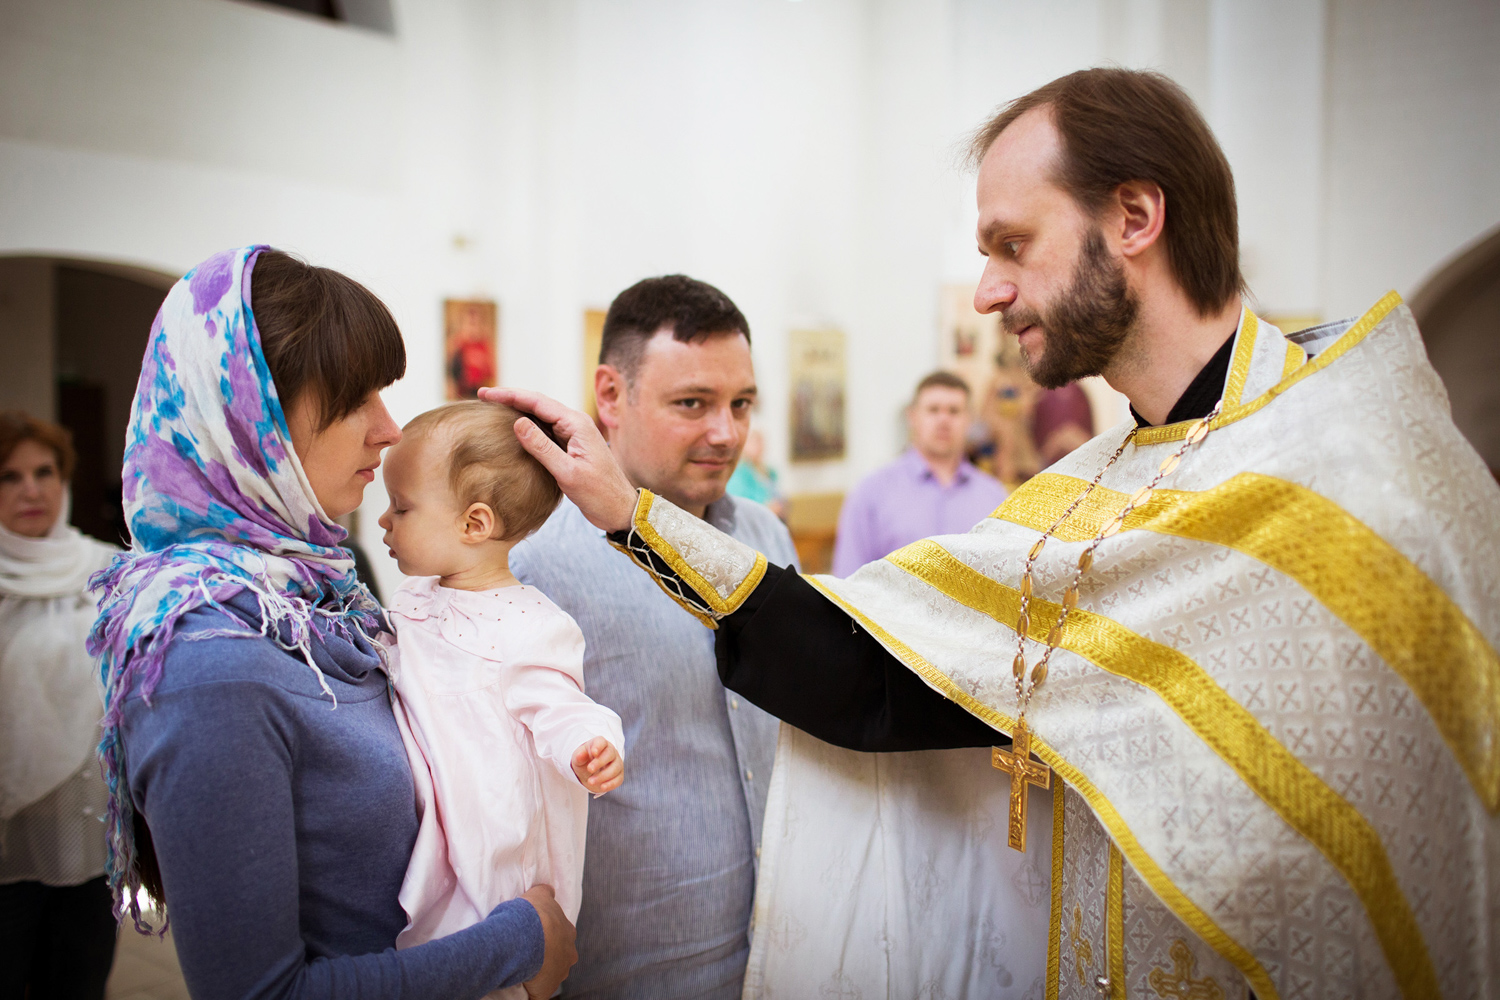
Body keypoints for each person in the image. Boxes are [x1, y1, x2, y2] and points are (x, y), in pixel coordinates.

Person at [488, 68, 1499, 1000]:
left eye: (1012, 245)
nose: (987, 292)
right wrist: (633, 518)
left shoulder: (1359, 476)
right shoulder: (1095, 483)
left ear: (1135, 217)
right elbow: (882, 679)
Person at [90, 247, 576, 999]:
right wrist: (521, 940)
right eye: (356, 400)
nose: (388, 429)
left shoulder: (322, 601)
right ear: (253, 421)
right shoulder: (211, 664)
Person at [508, 275, 799, 1000]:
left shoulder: (766, 538)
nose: (726, 433)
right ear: (611, 395)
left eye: (741, 404)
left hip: (780, 947)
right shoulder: (533, 562)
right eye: (692, 403)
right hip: (625, 967)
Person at [377, 401, 625, 979]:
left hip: (491, 848)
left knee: (486, 965)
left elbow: (562, 706)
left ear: (474, 524)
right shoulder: (411, 601)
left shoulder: (530, 626)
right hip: (429, 834)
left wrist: (588, 744)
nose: (384, 521)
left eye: (402, 507)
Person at [0, 412, 120, 997]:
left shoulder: (106, 569)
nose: (31, 489)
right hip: (8, 832)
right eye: (9, 476)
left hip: (87, 825)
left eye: (44, 472)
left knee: (78, 977)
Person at [832, 370, 1007, 576]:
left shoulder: (994, 497)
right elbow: (847, 580)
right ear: (912, 417)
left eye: (954, 411)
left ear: (969, 420)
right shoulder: (871, 493)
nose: (943, 420)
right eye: (933, 410)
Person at [725, 426, 784, 519]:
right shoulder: (739, 472)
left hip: (774, 518)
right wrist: (767, 508)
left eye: (761, 442)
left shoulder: (770, 471)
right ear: (745, 445)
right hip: (754, 518)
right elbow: (739, 503)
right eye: (754, 443)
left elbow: (778, 494)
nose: (759, 447)